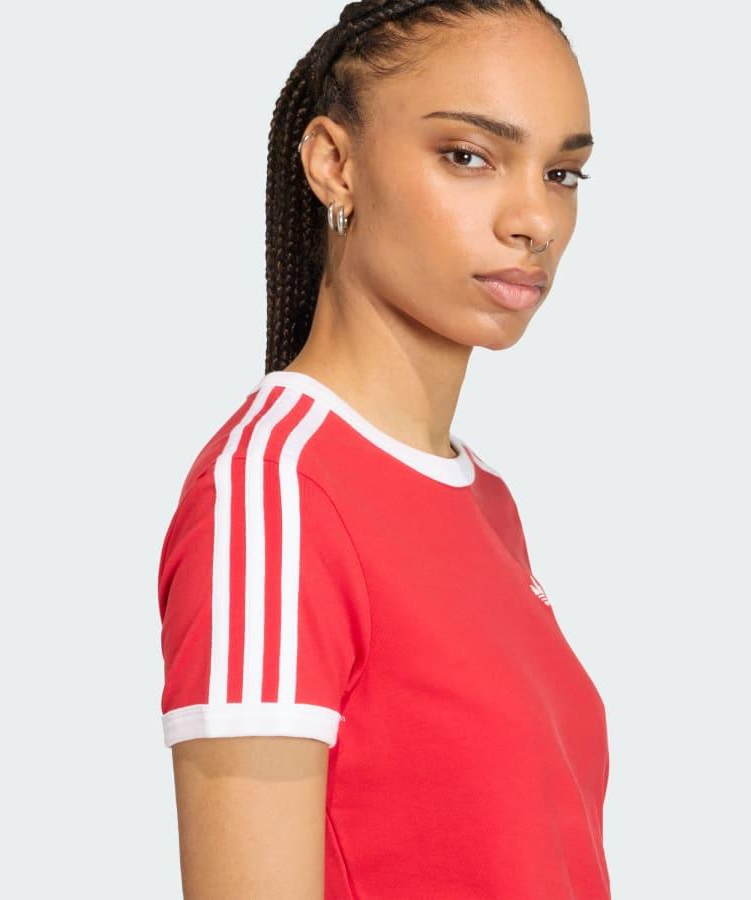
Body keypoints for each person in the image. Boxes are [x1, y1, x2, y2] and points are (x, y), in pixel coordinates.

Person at [157, 1, 609, 897]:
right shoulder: (272, 495)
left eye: (561, 173)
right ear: (335, 163)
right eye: (468, 156)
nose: (536, 219)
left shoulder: (485, 500)